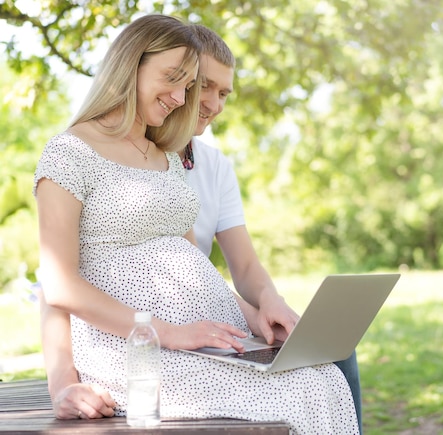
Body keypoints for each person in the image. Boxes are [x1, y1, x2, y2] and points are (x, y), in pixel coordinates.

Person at [34, 13, 358, 434]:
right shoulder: (68, 153)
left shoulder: (164, 156)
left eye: (187, 86)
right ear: (131, 63)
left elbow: (194, 265)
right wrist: (166, 335)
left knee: (326, 379)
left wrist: (256, 314)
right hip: (140, 351)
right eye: (172, 79)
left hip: (202, 341)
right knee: (300, 395)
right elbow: (58, 285)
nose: (178, 96)